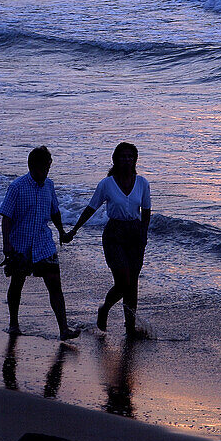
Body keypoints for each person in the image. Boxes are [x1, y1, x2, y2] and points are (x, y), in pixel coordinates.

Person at [64, 142, 150, 338]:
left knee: (133, 285)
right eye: (123, 156)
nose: (127, 160)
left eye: (131, 156)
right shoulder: (106, 184)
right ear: (116, 159)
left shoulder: (143, 183)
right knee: (123, 282)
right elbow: (91, 207)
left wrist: (144, 235)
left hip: (135, 234)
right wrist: (74, 230)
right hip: (114, 234)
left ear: (135, 160)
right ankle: (105, 308)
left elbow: (146, 212)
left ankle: (130, 328)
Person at [0, 146, 80, 341]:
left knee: (55, 284)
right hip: (21, 244)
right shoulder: (17, 187)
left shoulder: (49, 186)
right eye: (43, 168)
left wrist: (61, 231)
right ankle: (13, 324)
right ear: (32, 166)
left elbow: (54, 211)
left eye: (48, 168)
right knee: (17, 284)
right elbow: (6, 217)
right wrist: (6, 245)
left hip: (44, 243)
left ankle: (63, 329)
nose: (46, 172)